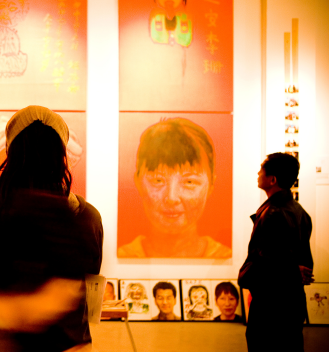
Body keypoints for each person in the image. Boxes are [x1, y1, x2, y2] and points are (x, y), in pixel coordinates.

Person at [0, 105, 103, 351]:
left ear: (9, 151)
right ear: (62, 154)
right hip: (68, 345)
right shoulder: (85, 216)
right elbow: (90, 279)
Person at [118, 117, 232, 258]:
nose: (171, 198)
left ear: (211, 185)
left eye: (189, 182)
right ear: (137, 181)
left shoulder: (223, 258)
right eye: (158, 180)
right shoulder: (124, 256)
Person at [238, 153, 314, 351]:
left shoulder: (273, 213)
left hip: (271, 305)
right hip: (293, 301)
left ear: (272, 179)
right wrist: (295, 272)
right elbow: (303, 263)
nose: (257, 173)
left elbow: (268, 262)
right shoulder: (299, 211)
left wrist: (251, 278)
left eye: (261, 170)